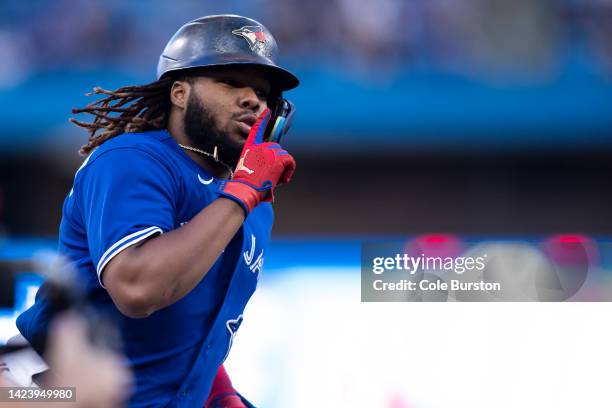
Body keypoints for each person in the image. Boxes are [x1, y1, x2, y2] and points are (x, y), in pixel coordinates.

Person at [15, 14, 298, 407]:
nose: (253, 99)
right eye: (230, 82)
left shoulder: (251, 203)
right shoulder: (133, 159)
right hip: (43, 391)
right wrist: (242, 193)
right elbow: (137, 290)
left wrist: (219, 392)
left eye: (264, 93)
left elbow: (195, 326)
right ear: (179, 93)